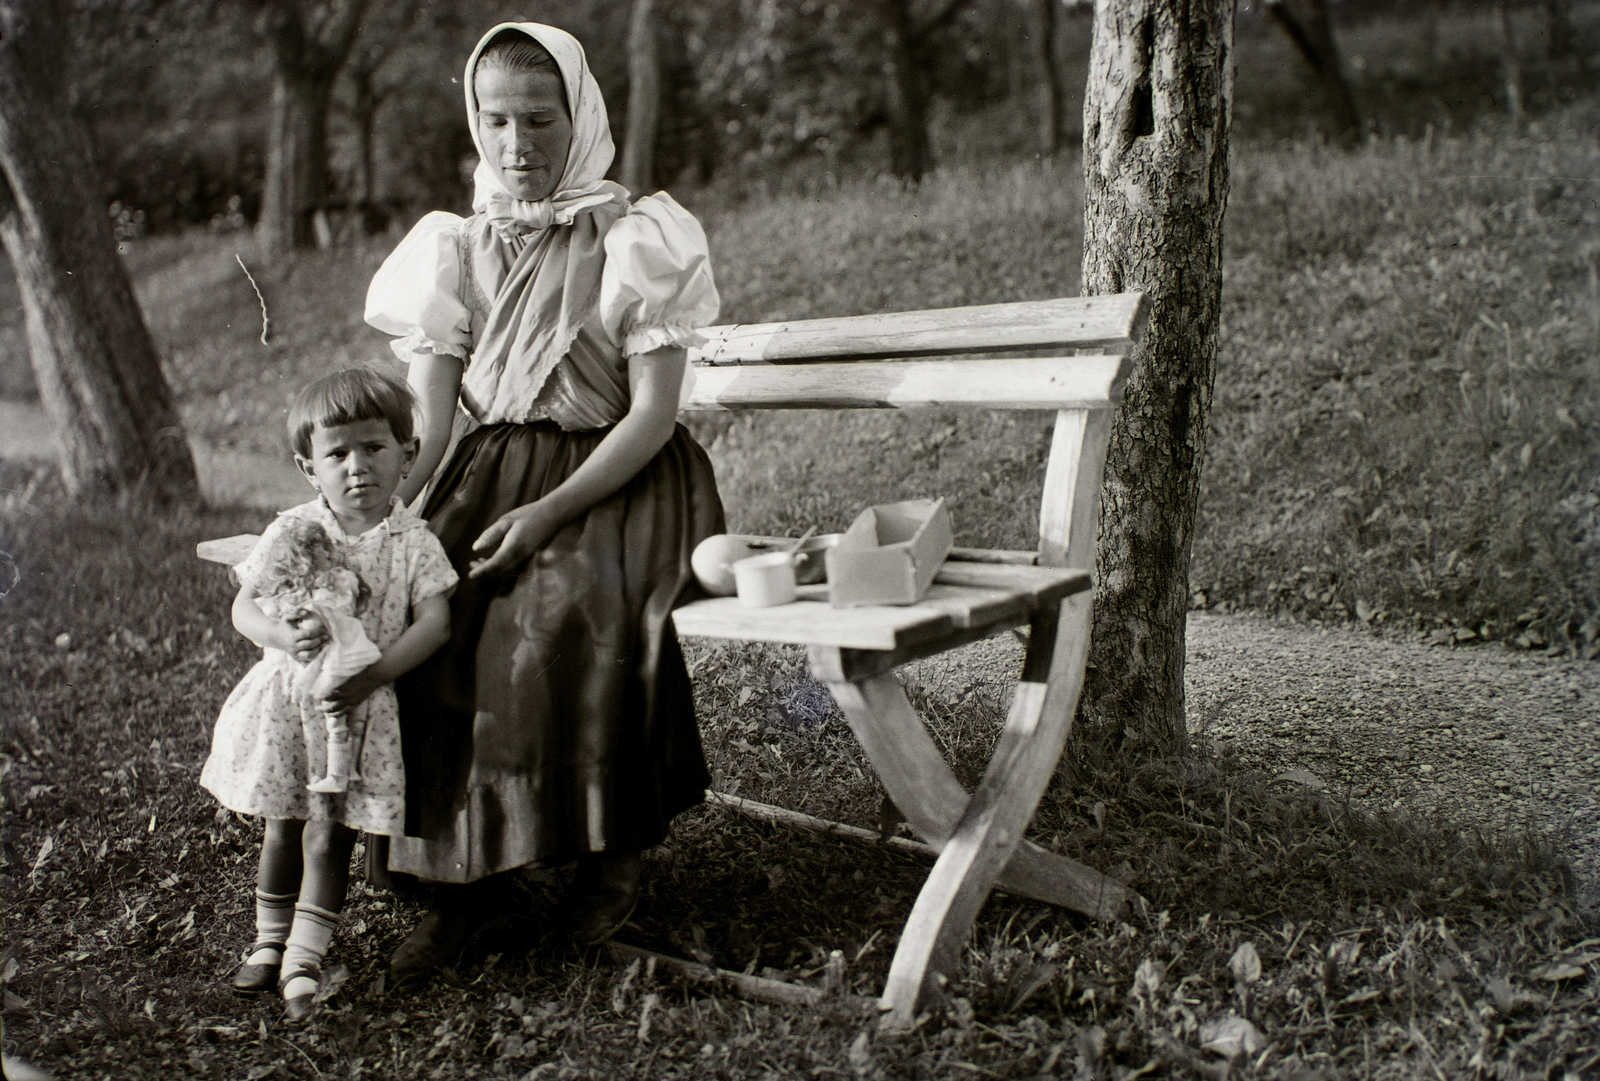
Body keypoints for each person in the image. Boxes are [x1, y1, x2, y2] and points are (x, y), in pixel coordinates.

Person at [363, 21, 724, 985]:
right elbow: (434, 431)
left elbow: (652, 416)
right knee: (422, 612)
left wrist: (552, 508)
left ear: (580, 117)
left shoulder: (636, 234)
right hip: (488, 474)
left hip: (617, 477)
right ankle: (458, 887)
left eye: (539, 118)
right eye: (497, 120)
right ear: (474, 124)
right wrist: (375, 523)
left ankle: (610, 854)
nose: (517, 143)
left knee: (567, 612)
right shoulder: (454, 247)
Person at [200, 368, 457, 1018]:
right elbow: (244, 608)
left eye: (374, 448)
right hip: (292, 702)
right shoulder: (294, 529)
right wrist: (282, 636)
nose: (357, 468)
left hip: (357, 705)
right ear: (308, 467)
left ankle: (304, 958)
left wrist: (378, 672)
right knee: (283, 827)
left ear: (407, 454)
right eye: (337, 453)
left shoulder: (413, 543)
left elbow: (435, 622)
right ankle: (267, 941)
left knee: (330, 834)